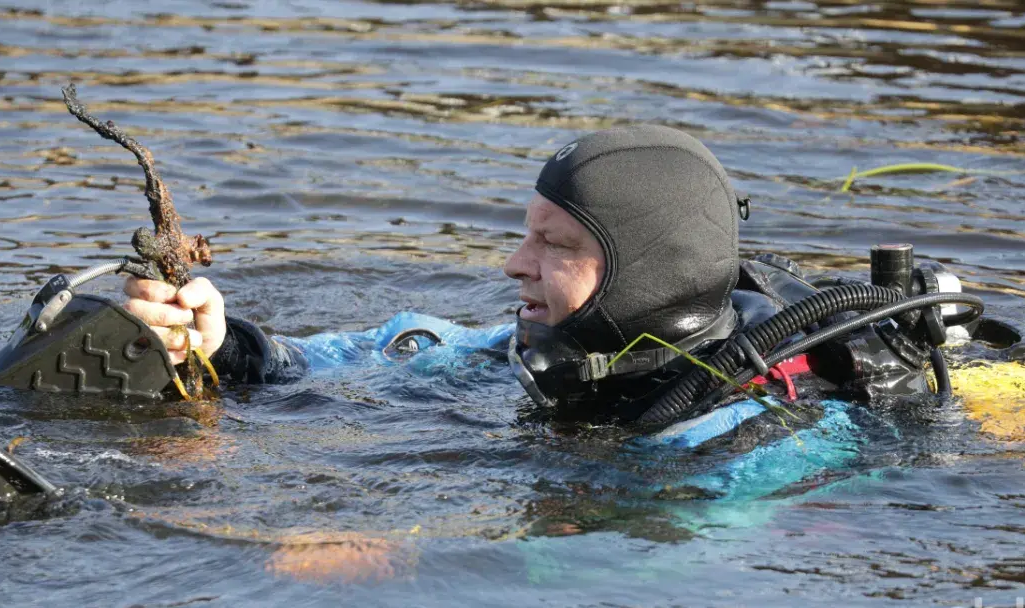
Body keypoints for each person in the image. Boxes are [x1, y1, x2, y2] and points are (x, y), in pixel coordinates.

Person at [122, 124, 972, 431]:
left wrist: (405, 558)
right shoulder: (555, 342)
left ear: (641, 271)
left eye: (556, 245)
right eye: (526, 234)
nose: (513, 263)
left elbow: (644, 552)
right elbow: (376, 352)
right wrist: (224, 341)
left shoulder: (749, 432)